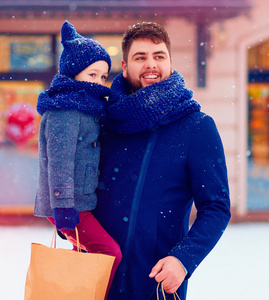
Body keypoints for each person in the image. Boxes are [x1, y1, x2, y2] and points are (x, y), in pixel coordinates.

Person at [93, 21, 231, 299]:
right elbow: (78, 190)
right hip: (96, 278)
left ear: (170, 62)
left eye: (158, 56)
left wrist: (183, 260)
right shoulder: (103, 122)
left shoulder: (196, 127)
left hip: (156, 281)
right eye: (140, 57)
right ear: (125, 64)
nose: (150, 64)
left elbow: (216, 206)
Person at [34, 21, 122, 299]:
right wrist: (63, 208)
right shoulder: (65, 111)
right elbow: (58, 163)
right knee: (110, 252)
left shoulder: (86, 108)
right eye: (92, 74)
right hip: (71, 204)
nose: (98, 82)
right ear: (73, 74)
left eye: (103, 77)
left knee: (83, 255)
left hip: (80, 202)